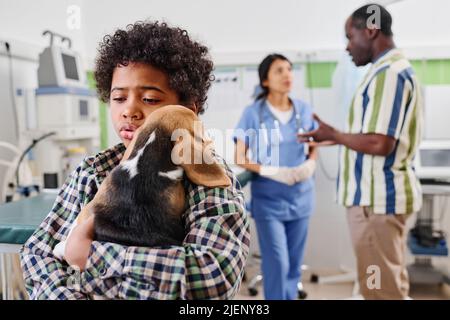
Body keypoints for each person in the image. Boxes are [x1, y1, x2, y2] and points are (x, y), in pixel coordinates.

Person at [20, 21, 250, 300]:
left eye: (150, 98)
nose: (129, 110)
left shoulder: (210, 181)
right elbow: (37, 256)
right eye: (118, 98)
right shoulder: (92, 172)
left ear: (187, 110)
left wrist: (93, 257)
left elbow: (213, 277)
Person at [299, 4, 423, 299]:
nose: (347, 47)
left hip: (376, 203)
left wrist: (336, 135)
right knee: (384, 284)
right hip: (375, 202)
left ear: (370, 30)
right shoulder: (386, 72)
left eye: (349, 37)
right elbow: (372, 136)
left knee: (379, 291)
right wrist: (332, 139)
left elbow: (380, 143)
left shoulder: (389, 74)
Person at [233, 54, 317, 300]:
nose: (287, 75)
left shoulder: (303, 109)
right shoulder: (253, 113)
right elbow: (240, 155)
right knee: (277, 262)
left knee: (293, 265)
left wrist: (310, 164)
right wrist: (272, 171)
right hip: (268, 200)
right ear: (265, 80)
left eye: (289, 69)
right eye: (279, 70)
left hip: (302, 196)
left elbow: (314, 144)